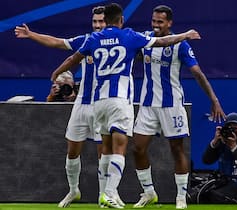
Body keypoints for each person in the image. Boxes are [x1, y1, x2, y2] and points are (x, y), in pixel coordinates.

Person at [49, 3, 202, 209]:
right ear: (121, 20)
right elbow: (163, 41)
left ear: (105, 21)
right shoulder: (129, 35)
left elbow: (73, 58)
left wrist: (57, 72)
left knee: (105, 147)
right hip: (120, 101)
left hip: (98, 102)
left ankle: (105, 195)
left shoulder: (94, 38)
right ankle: (110, 193)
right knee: (120, 148)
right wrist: (185, 35)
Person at [131, 5, 225, 209]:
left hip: (171, 104)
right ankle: (149, 192)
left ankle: (181, 197)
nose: (155, 25)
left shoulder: (180, 45)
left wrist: (214, 99)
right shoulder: (145, 39)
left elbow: (197, 73)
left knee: (176, 148)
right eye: (154, 21)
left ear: (169, 23)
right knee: (138, 148)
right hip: (147, 104)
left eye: (160, 22)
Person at [15, 6, 107, 208]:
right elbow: (57, 43)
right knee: (72, 150)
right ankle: (74, 191)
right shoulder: (86, 41)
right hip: (82, 104)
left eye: (101, 21)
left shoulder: (117, 43)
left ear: (110, 22)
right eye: (95, 22)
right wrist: (31, 34)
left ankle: (104, 195)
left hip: (103, 104)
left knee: (103, 153)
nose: (98, 25)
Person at [195, 112, 237, 204]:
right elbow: (206, 160)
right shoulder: (223, 141)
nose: (232, 131)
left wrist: (234, 147)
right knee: (199, 195)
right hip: (226, 181)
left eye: (235, 128)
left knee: (216, 196)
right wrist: (215, 142)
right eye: (230, 128)